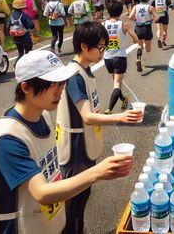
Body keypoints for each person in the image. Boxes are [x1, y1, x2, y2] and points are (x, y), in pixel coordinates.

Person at [0, 50, 134, 234]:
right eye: (52, 84)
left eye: (62, 83)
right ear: (26, 88)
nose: (60, 90)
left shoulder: (43, 116)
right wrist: (98, 172)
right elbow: (43, 193)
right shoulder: (8, 139)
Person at [56, 22, 143, 234]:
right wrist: (120, 116)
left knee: (81, 198)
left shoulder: (85, 70)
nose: (103, 52)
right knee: (74, 203)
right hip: (76, 149)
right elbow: (87, 116)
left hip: (85, 145)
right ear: (85, 47)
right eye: (101, 48)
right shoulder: (74, 76)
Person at [103, 1, 139, 114]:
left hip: (107, 58)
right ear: (120, 12)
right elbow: (135, 37)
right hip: (119, 58)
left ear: (108, 11)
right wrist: (134, 41)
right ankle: (109, 109)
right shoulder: (123, 25)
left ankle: (123, 99)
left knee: (116, 83)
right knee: (117, 84)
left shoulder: (103, 24)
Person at [130, 0, 159, 73]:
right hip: (147, 27)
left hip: (138, 27)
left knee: (140, 45)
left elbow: (130, 17)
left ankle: (138, 58)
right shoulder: (150, 7)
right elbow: (156, 17)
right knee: (148, 49)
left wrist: (136, 20)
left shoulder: (136, 7)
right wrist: (152, 21)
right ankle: (144, 47)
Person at [9, 0, 35, 66]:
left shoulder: (11, 16)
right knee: (28, 52)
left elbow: (7, 27)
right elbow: (31, 25)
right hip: (25, 37)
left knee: (20, 53)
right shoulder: (24, 15)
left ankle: (16, 64)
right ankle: (27, 66)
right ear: (22, 8)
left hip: (15, 37)